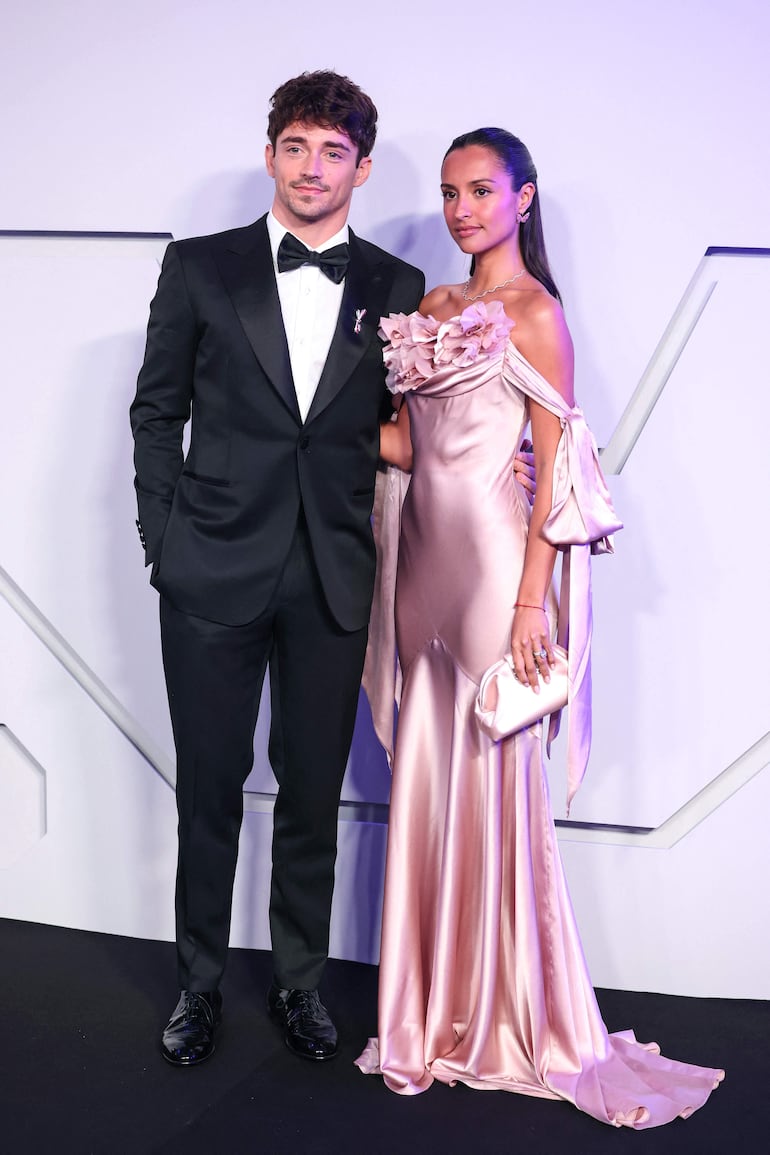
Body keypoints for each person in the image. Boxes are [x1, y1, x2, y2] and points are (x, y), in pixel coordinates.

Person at [356, 128, 724, 1127]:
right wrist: (310, 426)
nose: (461, 208)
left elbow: (556, 464)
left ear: (521, 199)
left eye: (480, 190)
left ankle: (500, 1012)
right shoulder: (431, 309)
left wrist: (530, 604)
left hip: (491, 580)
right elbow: (406, 442)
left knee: (491, 784)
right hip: (419, 576)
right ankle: (423, 1015)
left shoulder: (536, 315)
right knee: (424, 781)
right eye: (448, 192)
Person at [129, 70, 429, 1067]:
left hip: (333, 579)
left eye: (331, 151)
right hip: (210, 571)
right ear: (270, 154)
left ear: (361, 167)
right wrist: (162, 543)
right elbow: (155, 410)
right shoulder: (202, 267)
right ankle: (198, 986)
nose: (311, 168)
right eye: (295, 146)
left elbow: (406, 430)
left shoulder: (393, 287)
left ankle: (300, 986)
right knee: (209, 790)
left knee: (310, 797)